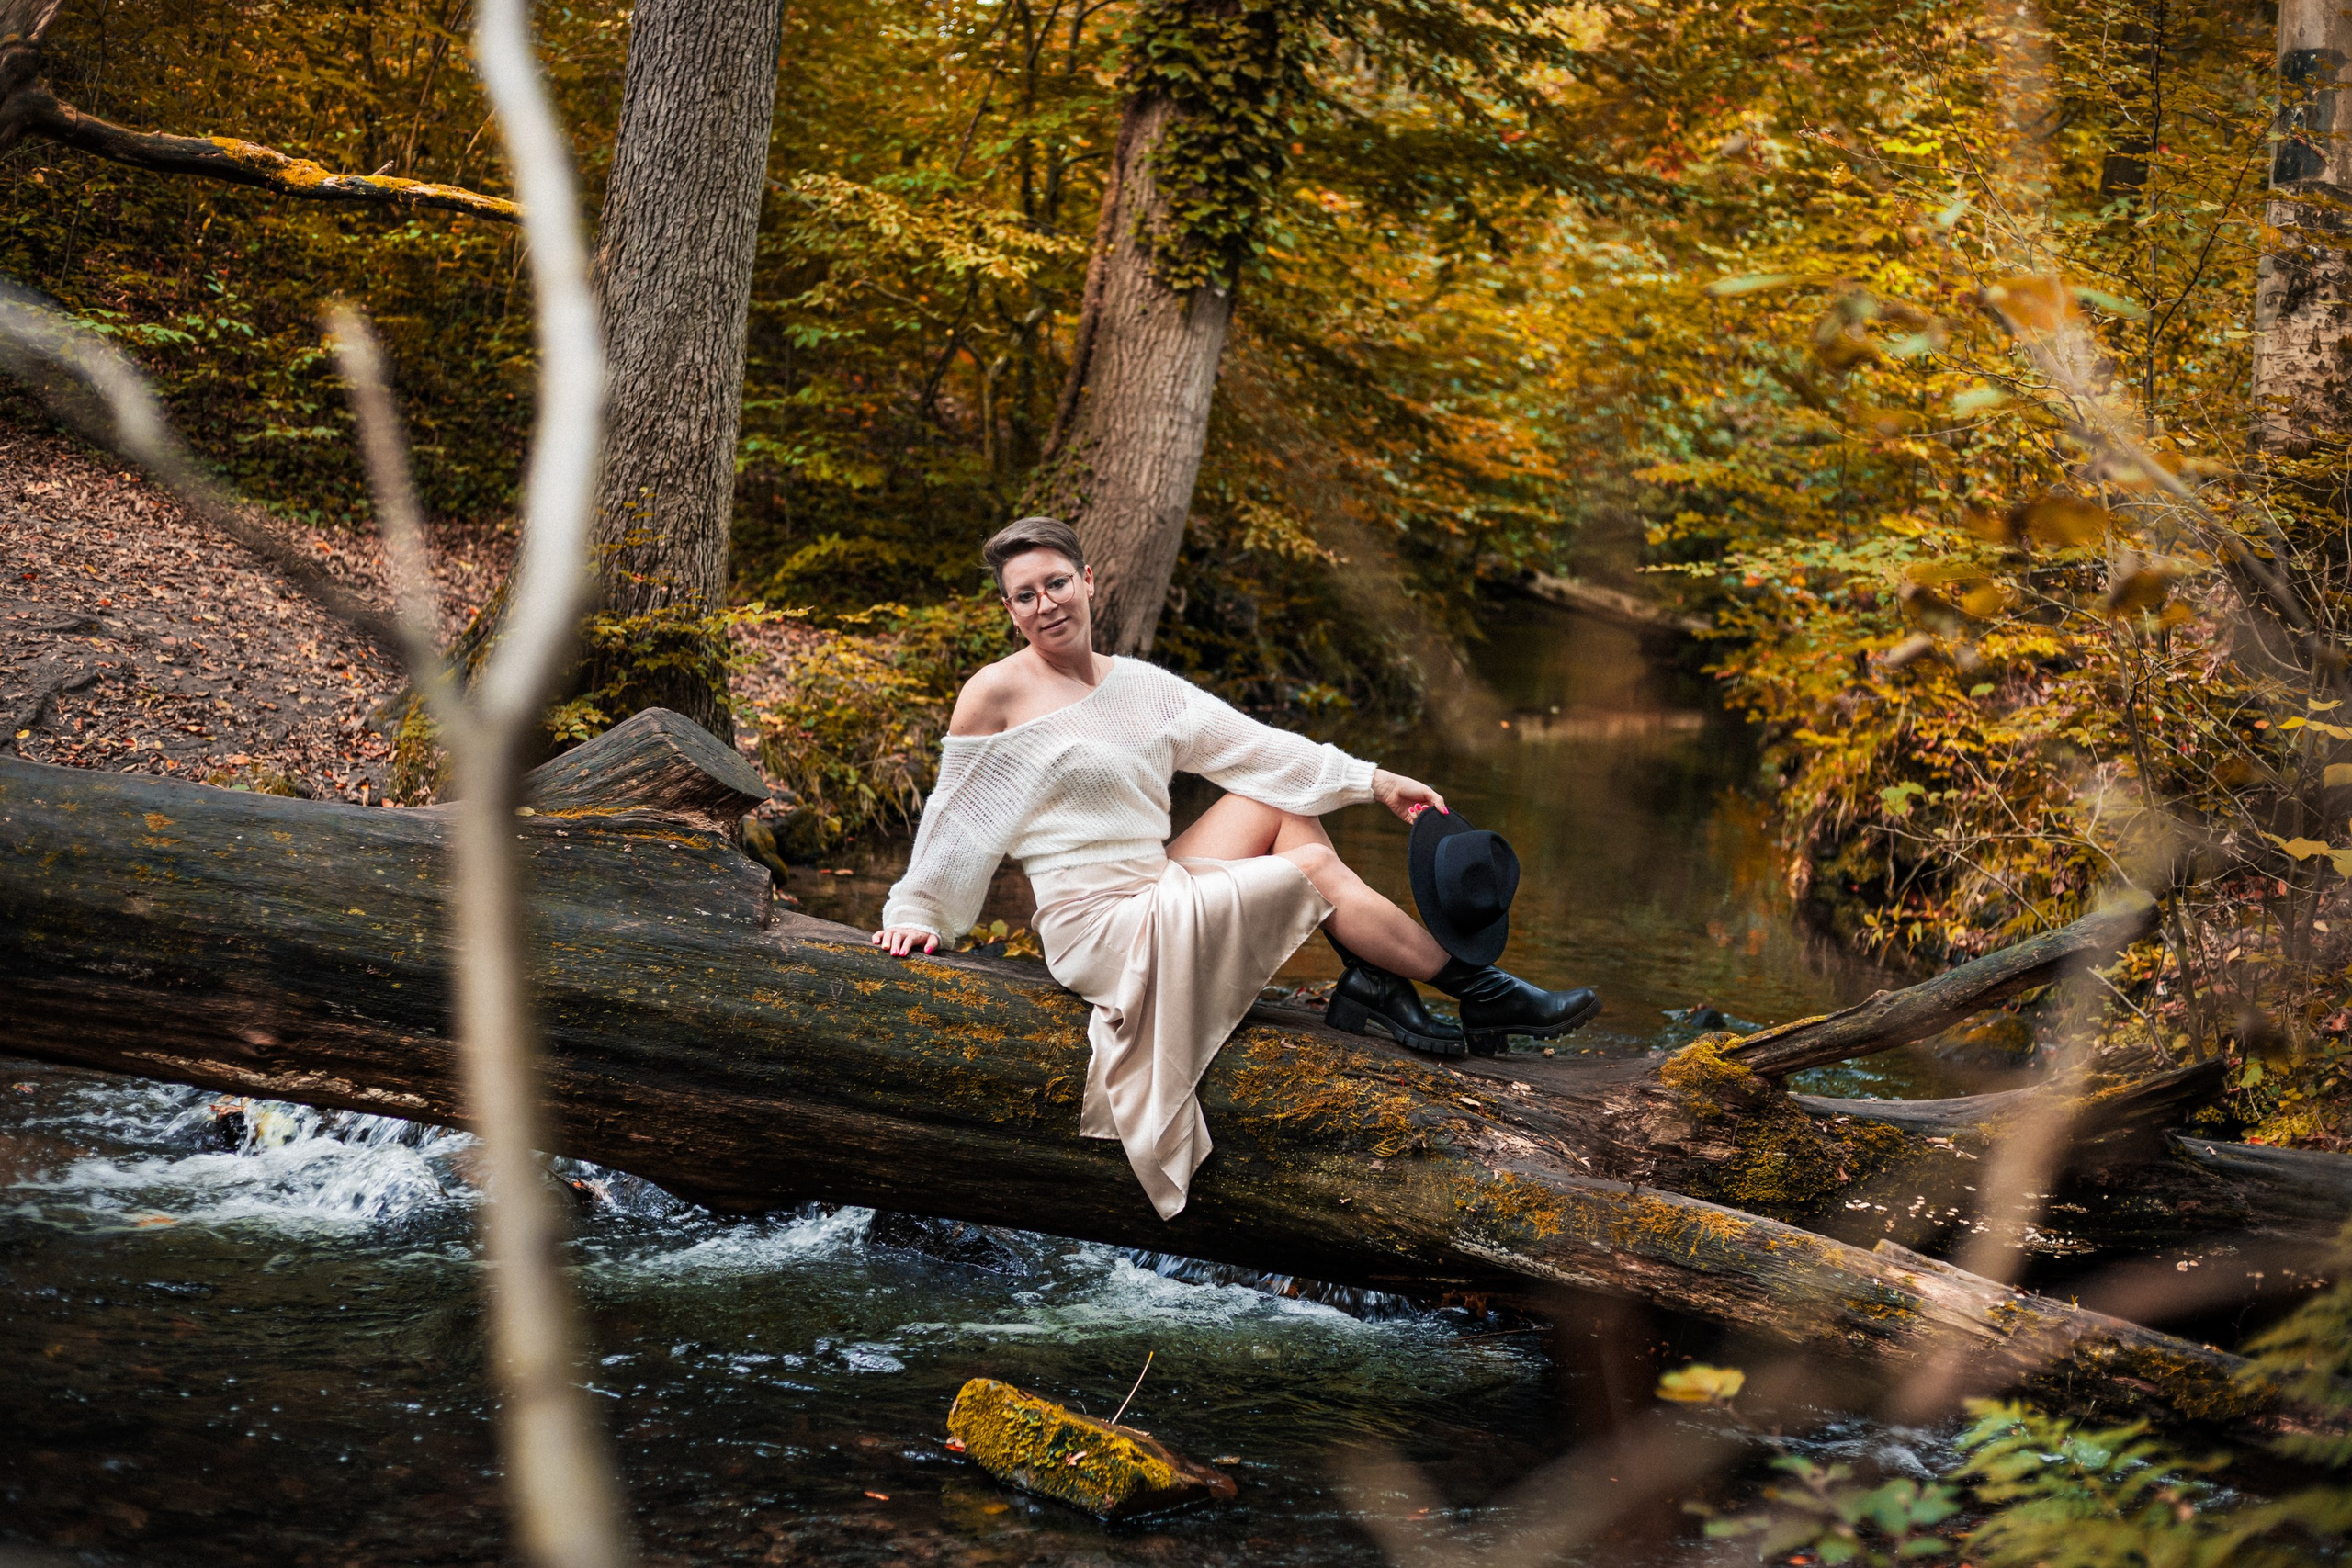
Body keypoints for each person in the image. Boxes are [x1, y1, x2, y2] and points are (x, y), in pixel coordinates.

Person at [872, 515, 1595, 1218]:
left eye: (1056, 582)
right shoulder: (997, 693)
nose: (1045, 604)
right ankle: (1472, 984)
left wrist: (1375, 781)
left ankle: (1380, 980)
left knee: (1281, 805)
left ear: (1088, 580)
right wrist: (916, 913)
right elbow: (958, 816)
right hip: (1094, 924)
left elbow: (1258, 749)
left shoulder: (1143, 687)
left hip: (1153, 880)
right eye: (1024, 595)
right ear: (1010, 610)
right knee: (1308, 867)